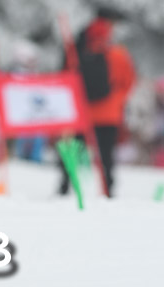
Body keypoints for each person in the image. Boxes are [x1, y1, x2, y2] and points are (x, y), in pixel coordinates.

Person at [59, 7, 136, 197]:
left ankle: (64, 186)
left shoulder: (77, 47)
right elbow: (129, 81)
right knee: (106, 156)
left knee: (73, 151)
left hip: (81, 111)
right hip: (108, 112)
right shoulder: (116, 53)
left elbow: (65, 76)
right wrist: (117, 100)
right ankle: (108, 190)